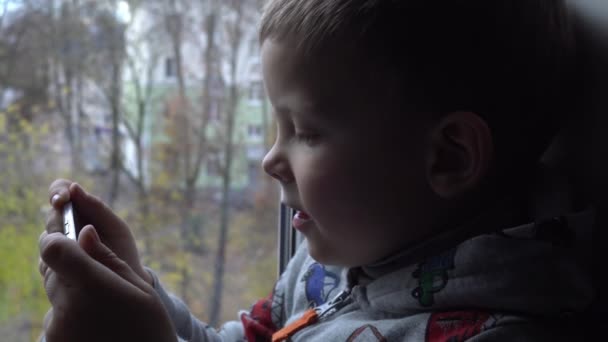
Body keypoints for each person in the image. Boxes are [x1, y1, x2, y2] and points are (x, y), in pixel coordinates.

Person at [38, 0, 594, 341]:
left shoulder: (501, 334)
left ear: (447, 157)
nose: (270, 159)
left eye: (303, 130)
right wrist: (136, 289)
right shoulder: (328, 265)